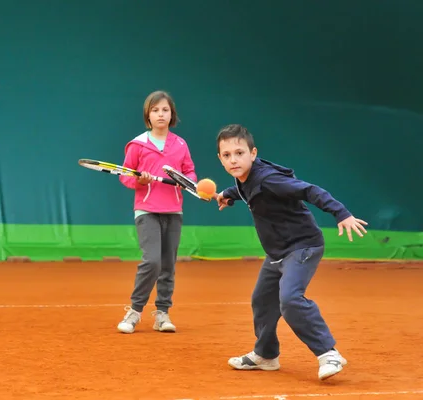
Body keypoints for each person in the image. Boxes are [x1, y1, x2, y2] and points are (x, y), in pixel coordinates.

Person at [214, 124, 368, 380]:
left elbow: (310, 190)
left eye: (239, 153)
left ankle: (328, 353)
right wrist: (228, 195)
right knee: (262, 301)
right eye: (227, 155)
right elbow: (245, 189)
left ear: (253, 153)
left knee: (290, 299)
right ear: (220, 159)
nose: (233, 159)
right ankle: (266, 355)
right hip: (277, 252)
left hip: (302, 246)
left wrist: (342, 213)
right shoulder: (244, 178)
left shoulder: (269, 179)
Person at [116, 90, 197, 334]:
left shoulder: (180, 144)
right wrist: (140, 181)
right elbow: (125, 175)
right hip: (147, 210)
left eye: (165, 110)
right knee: (152, 261)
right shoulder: (137, 144)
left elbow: (190, 172)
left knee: (168, 264)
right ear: (148, 116)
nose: (160, 114)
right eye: (155, 110)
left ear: (172, 114)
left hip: (174, 210)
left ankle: (162, 313)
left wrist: (187, 181)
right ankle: (134, 311)